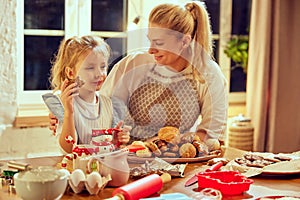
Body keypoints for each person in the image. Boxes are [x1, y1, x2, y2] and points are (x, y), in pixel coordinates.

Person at [50, 1, 228, 148]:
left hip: (179, 159)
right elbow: (101, 107)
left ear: (184, 41)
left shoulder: (209, 74)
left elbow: (210, 134)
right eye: (150, 40)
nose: (151, 49)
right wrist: (62, 107)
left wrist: (167, 145)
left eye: (159, 43)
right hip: (127, 156)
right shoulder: (133, 64)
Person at [49, 35, 130, 153]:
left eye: (103, 67)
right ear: (71, 73)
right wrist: (69, 112)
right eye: (90, 68)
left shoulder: (108, 103)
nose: (99, 74)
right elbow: (68, 149)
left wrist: (117, 140)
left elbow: (106, 146)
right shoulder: (62, 102)